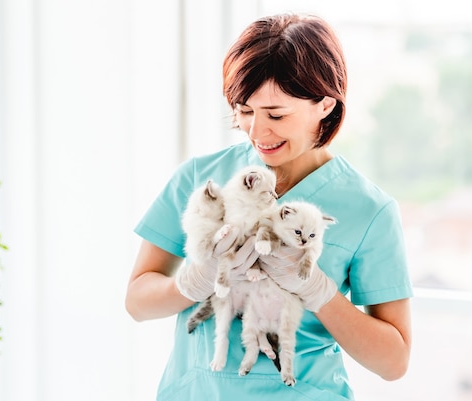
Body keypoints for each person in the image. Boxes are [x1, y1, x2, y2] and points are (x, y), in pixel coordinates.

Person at [125, 12, 413, 401]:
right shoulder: (201, 178)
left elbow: (393, 362)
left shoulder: (369, 209)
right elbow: (138, 302)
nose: (258, 132)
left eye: (276, 114)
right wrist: (196, 279)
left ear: (325, 105)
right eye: (244, 111)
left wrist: (319, 291)